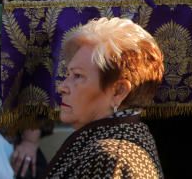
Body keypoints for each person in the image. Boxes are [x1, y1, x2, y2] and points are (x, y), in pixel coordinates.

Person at [46, 17, 165, 179]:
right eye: (68, 75)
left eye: (78, 76)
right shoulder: (122, 137)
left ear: (119, 91)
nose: (62, 87)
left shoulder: (109, 158)